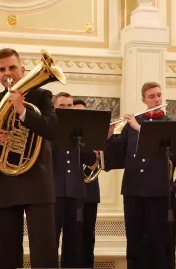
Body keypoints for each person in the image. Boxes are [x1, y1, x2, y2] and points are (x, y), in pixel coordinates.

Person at [0, 48, 58, 269]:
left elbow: (51, 129)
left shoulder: (42, 96)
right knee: (7, 252)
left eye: (12, 67)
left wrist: (22, 110)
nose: (8, 73)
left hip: (37, 184)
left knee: (44, 252)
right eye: (2, 69)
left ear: (23, 70)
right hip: (5, 183)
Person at [104, 81, 176, 269]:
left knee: (157, 245)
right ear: (144, 100)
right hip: (133, 192)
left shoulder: (168, 124)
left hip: (158, 196)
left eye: (159, 95)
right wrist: (108, 137)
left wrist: (170, 189)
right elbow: (115, 158)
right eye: (152, 96)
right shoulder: (131, 125)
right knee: (134, 242)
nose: (157, 99)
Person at [51, 92, 96, 268]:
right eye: (62, 106)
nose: (67, 109)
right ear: (55, 108)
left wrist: (81, 141)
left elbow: (91, 160)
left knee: (74, 242)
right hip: (53, 193)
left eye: (69, 106)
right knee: (51, 240)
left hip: (76, 193)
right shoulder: (49, 129)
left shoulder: (81, 130)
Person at [73, 99, 100, 268]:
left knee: (88, 236)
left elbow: (101, 163)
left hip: (90, 191)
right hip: (70, 192)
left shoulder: (93, 135)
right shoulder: (65, 135)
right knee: (72, 236)